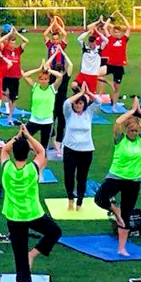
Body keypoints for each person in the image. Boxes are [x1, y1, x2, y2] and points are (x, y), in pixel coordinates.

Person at [0, 125, 62, 282]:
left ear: (14, 153)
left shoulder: (7, 169)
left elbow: (4, 151)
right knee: (55, 232)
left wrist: (17, 136)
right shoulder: (32, 170)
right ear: (28, 154)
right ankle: (33, 254)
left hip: (13, 216)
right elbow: (42, 152)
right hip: (33, 214)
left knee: (19, 251)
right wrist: (27, 136)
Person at [94, 97, 141, 256]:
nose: (134, 133)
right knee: (100, 199)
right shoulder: (120, 139)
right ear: (127, 130)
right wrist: (130, 111)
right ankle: (115, 210)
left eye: (136, 131)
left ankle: (122, 248)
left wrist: (140, 112)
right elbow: (117, 124)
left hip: (134, 180)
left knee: (127, 215)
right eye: (132, 131)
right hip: (116, 177)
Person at [63, 83, 101, 211]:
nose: (78, 105)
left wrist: (88, 93)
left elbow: (99, 102)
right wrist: (79, 93)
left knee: (82, 177)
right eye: (77, 103)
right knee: (69, 175)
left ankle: (79, 202)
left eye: (81, 103)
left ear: (84, 104)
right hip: (70, 149)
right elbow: (66, 103)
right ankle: (70, 199)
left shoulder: (88, 113)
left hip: (86, 151)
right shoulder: (69, 113)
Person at [21, 61, 64, 156]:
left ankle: (40, 166)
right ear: (39, 80)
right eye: (41, 79)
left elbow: (60, 76)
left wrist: (48, 70)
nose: (43, 81)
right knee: (22, 138)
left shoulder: (52, 89)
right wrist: (39, 69)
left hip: (47, 122)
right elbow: (25, 75)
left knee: (44, 148)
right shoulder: (35, 87)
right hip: (34, 120)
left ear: (48, 80)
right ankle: (35, 148)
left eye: (45, 79)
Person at [0, 27, 29, 126]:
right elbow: (0, 41)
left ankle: (10, 117)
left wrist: (17, 34)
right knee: (1, 92)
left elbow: (26, 41)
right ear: (8, 43)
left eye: (14, 43)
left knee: (13, 98)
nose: (12, 45)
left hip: (15, 77)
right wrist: (9, 33)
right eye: (11, 43)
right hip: (6, 75)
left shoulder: (18, 50)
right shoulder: (4, 50)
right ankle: (1, 107)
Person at [101, 11, 132, 109]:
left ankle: (114, 105)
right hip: (110, 64)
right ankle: (108, 83)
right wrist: (111, 17)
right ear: (113, 32)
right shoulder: (110, 39)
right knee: (96, 74)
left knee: (116, 88)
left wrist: (122, 16)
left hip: (119, 66)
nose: (117, 34)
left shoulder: (124, 39)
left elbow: (129, 28)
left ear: (121, 33)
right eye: (115, 32)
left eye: (118, 32)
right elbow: (105, 27)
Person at [46, 47, 73, 156]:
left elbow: (47, 65)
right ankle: (58, 145)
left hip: (53, 103)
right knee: (60, 124)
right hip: (60, 103)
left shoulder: (51, 77)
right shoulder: (64, 77)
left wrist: (55, 54)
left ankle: (54, 144)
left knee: (52, 123)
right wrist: (62, 53)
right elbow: (70, 65)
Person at [73, 27, 108, 93]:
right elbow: (79, 39)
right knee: (74, 85)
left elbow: (106, 40)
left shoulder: (99, 49)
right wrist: (88, 32)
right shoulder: (85, 47)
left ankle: (85, 98)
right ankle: (80, 94)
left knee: (91, 94)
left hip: (93, 75)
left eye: (93, 42)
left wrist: (97, 32)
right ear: (88, 42)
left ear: (95, 41)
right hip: (83, 73)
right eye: (90, 42)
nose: (91, 44)